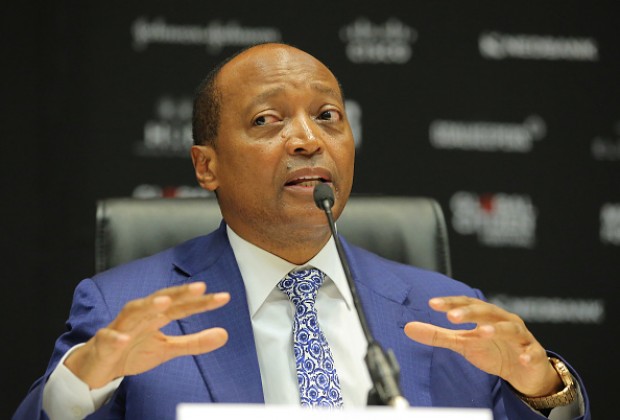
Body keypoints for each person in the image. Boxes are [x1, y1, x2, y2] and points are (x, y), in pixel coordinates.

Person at [14, 43, 590, 419]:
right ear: (206, 166)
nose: (307, 140)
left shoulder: (449, 311)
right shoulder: (122, 306)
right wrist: (77, 389)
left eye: (327, 116)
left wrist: (543, 389)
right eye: (266, 120)